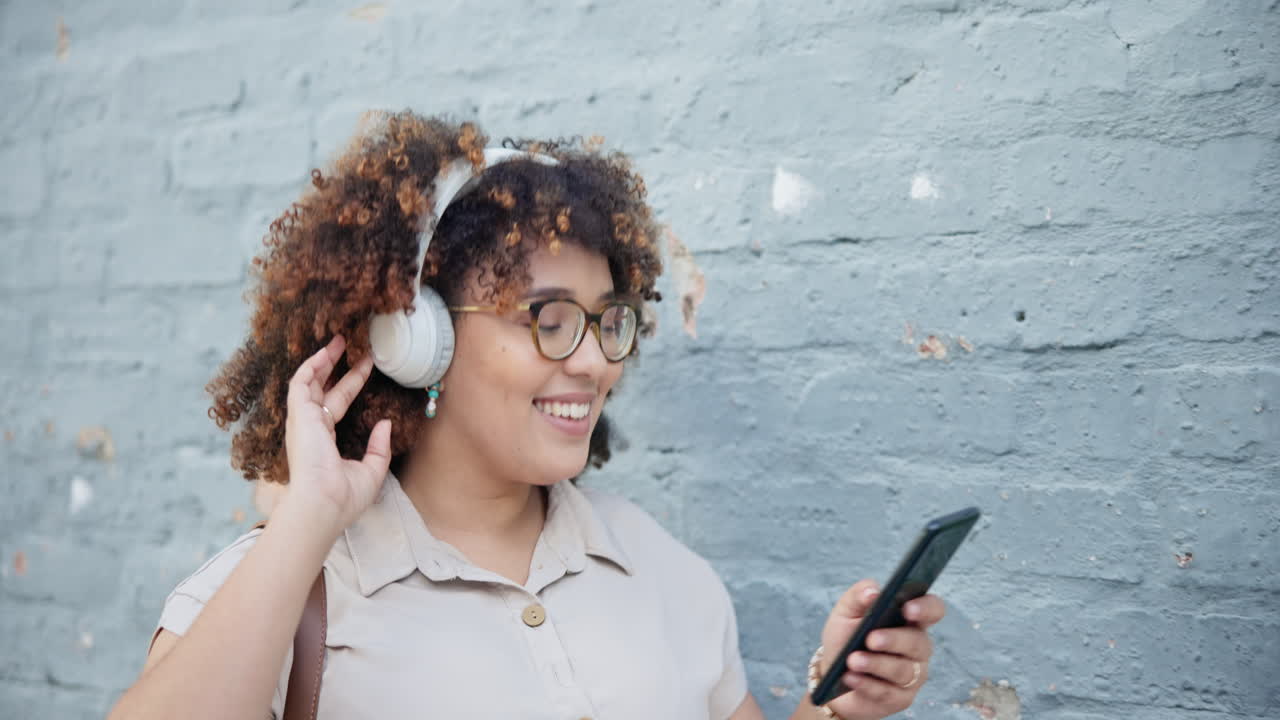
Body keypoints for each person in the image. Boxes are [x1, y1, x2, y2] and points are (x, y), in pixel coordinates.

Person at [107, 110, 945, 720]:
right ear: (414, 338)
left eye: (608, 318)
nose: (593, 358)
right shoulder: (286, 591)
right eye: (545, 319)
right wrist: (308, 523)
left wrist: (837, 705)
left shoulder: (656, 566)